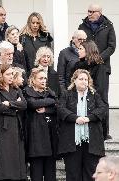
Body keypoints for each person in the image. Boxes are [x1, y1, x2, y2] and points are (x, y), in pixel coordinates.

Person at [57, 69, 107, 181]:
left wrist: (89, 118)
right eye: (81, 79)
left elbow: (103, 109)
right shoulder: (66, 94)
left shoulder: (94, 95)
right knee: (73, 173)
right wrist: (76, 118)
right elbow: (60, 109)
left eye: (86, 79)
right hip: (72, 142)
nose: (84, 81)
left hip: (91, 142)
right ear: (74, 80)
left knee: (91, 173)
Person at [78, 3, 116, 139]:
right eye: (88, 11)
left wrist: (99, 59)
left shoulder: (108, 26)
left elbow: (112, 47)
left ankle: (104, 132)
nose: (89, 14)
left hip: (102, 68)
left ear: (99, 13)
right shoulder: (82, 26)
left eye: (92, 11)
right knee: (86, 97)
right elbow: (79, 44)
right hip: (86, 67)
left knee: (102, 99)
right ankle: (89, 129)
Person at [0, 64, 27, 180]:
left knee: (16, 158)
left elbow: (24, 105)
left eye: (12, 74)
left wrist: (9, 104)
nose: (11, 76)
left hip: (16, 126)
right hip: (3, 127)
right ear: (1, 75)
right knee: (5, 157)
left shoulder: (16, 89)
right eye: (8, 74)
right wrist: (15, 106)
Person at [24, 67, 58, 181]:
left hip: (50, 138)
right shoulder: (27, 91)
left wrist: (47, 110)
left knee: (50, 175)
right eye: (41, 78)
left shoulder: (50, 92)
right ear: (33, 80)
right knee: (36, 175)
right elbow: (32, 104)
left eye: (45, 78)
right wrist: (51, 102)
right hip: (36, 139)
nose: (44, 80)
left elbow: (58, 107)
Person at [73, 40, 109, 139]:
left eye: (80, 49)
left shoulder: (99, 66)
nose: (78, 51)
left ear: (88, 50)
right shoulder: (77, 65)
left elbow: (100, 88)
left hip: (93, 103)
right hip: (79, 101)